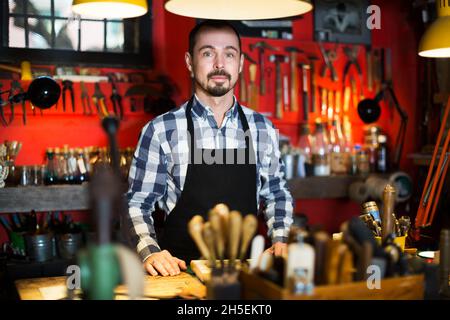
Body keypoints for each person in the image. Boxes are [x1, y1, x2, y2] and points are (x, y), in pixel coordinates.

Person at [126, 20, 294, 277]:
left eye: (229, 53)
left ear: (239, 63)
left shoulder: (263, 128)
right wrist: (150, 251)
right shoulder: (161, 130)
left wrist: (280, 240)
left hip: (248, 275)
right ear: (189, 62)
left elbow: (276, 194)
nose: (219, 64)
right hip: (180, 275)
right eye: (207, 53)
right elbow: (137, 203)